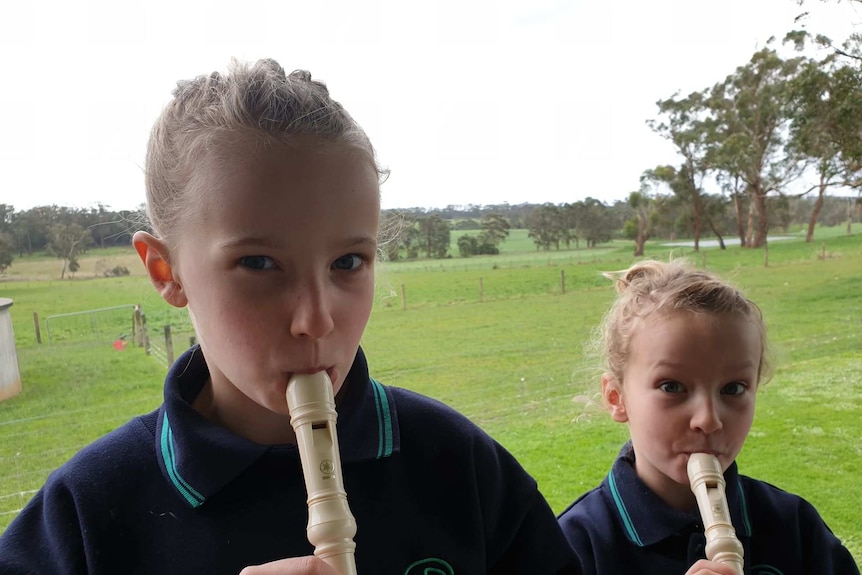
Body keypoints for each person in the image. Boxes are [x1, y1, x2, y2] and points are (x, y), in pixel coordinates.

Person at [0, 58, 579, 575]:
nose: (316, 320)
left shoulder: (460, 467)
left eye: (349, 261)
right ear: (165, 270)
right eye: (258, 263)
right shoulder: (85, 514)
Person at [557, 260, 859, 575]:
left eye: (733, 388)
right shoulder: (578, 544)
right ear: (616, 398)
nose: (708, 419)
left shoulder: (794, 526)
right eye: (672, 387)